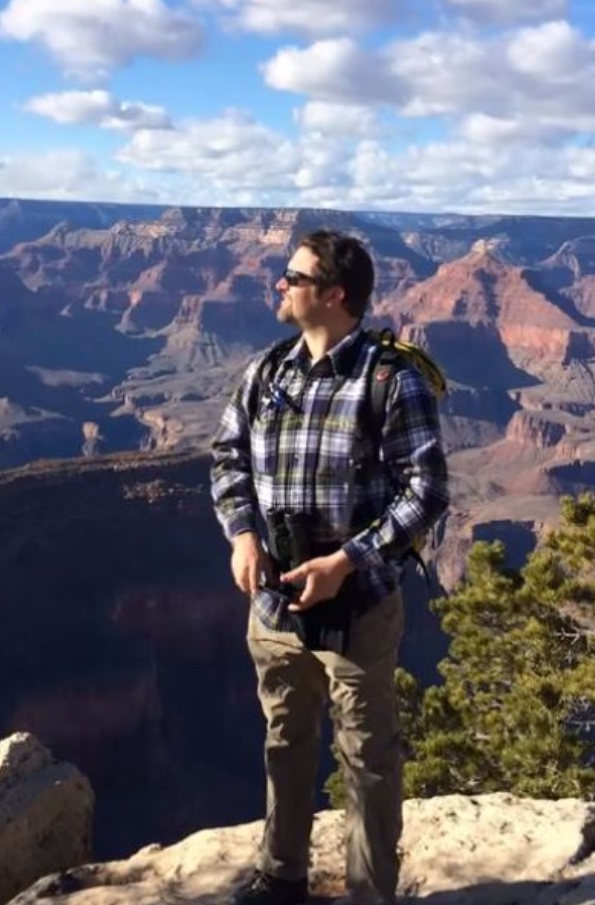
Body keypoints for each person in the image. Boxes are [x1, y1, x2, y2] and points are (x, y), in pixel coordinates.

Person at [210, 229, 450, 905]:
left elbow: (426, 490)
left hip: (357, 603)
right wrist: (242, 537)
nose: (279, 285)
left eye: (293, 276)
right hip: (276, 600)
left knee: (367, 758)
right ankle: (280, 876)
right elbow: (227, 461)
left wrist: (347, 561)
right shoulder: (268, 371)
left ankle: (371, 893)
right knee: (285, 739)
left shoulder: (389, 379)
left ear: (335, 294)